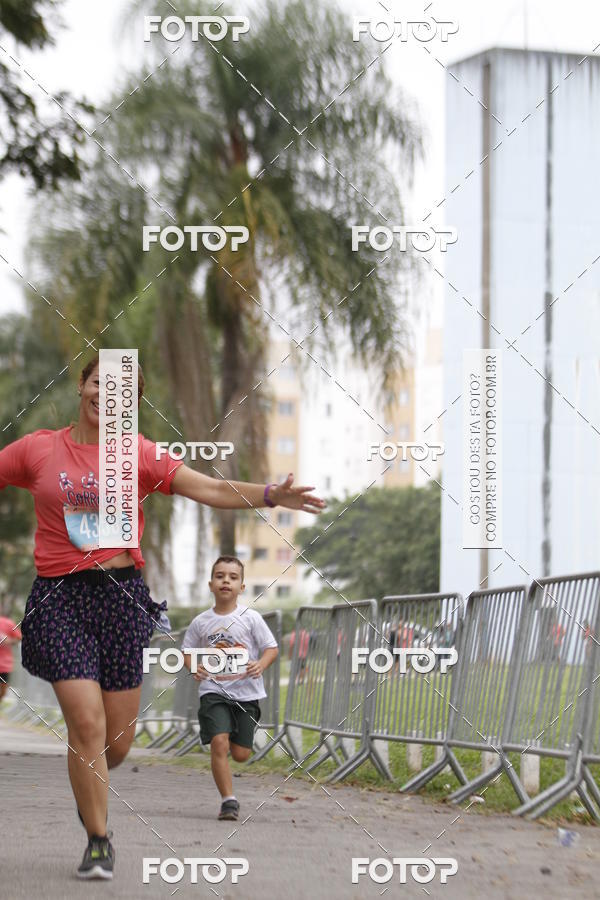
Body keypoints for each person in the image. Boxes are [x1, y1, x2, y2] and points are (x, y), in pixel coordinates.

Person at [0, 354, 324, 880]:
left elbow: (211, 489)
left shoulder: (140, 455)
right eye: (98, 383)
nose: (106, 396)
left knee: (116, 744)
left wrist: (269, 494)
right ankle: (99, 841)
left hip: (122, 600)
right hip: (59, 599)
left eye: (121, 393)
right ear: (81, 385)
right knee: (85, 725)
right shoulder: (39, 448)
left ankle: (92, 783)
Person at [182, 556, 278, 821]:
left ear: (242, 587)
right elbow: (187, 651)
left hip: (247, 693)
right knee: (218, 743)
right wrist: (193, 668)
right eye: (221, 576)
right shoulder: (201, 622)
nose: (226, 581)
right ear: (211, 584)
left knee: (241, 754)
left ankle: (238, 744)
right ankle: (228, 801)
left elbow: (271, 648)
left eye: (233, 577)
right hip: (213, 691)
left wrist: (261, 664)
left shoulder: (251, 618)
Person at [0, 614, 22, 702]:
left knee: (3, 692)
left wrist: (8, 641)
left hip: (5, 665)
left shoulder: (7, 623)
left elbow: (19, 638)